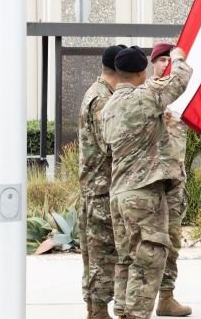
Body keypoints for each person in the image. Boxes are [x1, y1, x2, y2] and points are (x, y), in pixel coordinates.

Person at [102, 46, 193, 319]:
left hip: (119, 193)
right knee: (150, 258)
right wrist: (177, 56)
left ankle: (122, 309)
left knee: (127, 259)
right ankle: (136, 314)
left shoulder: (108, 107)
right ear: (142, 72)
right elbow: (180, 79)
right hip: (143, 193)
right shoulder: (144, 96)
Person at [78, 44, 125, 319]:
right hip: (100, 190)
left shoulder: (100, 94)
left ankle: (97, 309)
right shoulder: (101, 99)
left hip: (100, 188)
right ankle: (97, 311)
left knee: (100, 254)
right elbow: (109, 142)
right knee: (101, 255)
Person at [148, 42, 192, 317]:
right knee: (145, 242)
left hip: (175, 179)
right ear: (153, 63)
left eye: (170, 60)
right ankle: (136, 299)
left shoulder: (181, 98)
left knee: (172, 240)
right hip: (150, 181)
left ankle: (166, 296)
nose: (167, 64)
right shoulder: (147, 92)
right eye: (162, 60)